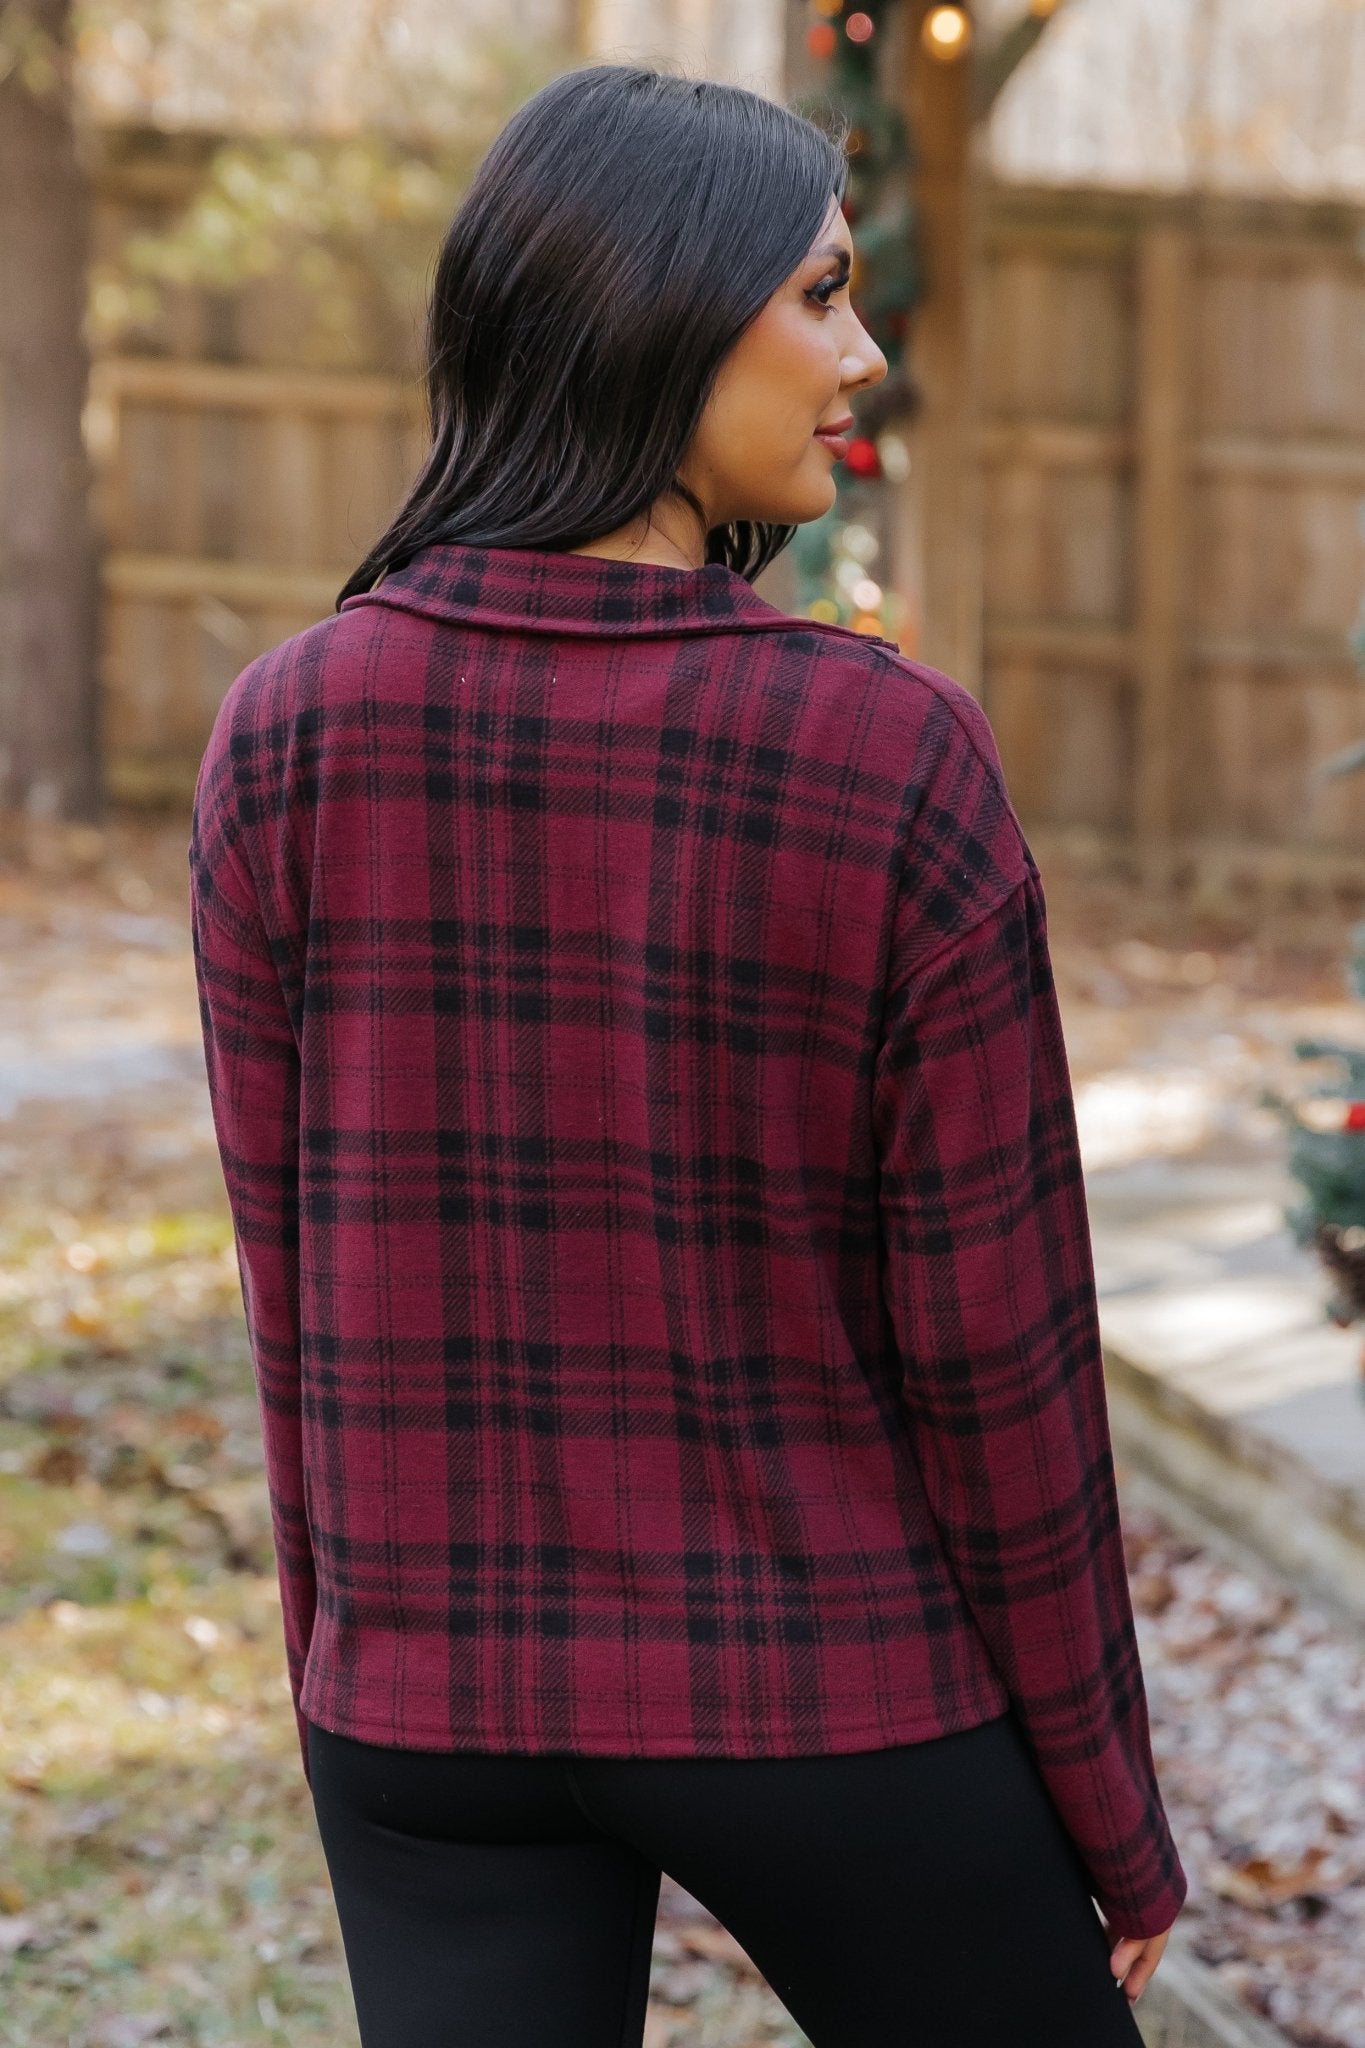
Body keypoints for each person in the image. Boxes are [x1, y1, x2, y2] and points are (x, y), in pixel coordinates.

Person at [189, 60, 1188, 2048]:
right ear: (652, 310)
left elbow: (293, 1298)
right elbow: (999, 1354)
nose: (864, 354)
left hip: (426, 1713)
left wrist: (350, 1667)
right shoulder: (885, 752)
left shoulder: (284, 731)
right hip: (817, 1688)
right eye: (817, 293)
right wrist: (1110, 1815)